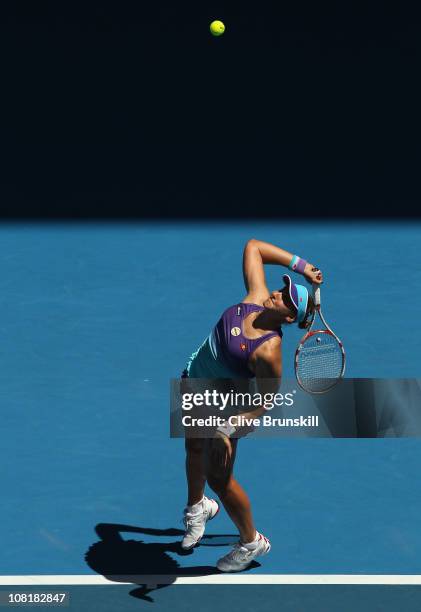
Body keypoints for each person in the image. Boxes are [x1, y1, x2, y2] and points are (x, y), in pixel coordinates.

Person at [180, 239, 323, 572]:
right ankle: (197, 508)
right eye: (283, 289)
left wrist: (230, 427)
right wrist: (301, 266)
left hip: (226, 407)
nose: (278, 293)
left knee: (220, 479)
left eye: (286, 298)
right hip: (195, 380)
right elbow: (253, 248)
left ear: (289, 317)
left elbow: (264, 402)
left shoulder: (268, 353)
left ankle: (251, 542)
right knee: (192, 448)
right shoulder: (256, 298)